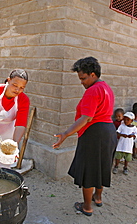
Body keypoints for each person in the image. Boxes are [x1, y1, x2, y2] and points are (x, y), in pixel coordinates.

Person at [53, 57, 117, 217]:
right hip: (108, 131)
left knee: (89, 170)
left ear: (93, 75)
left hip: (94, 133)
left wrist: (65, 134)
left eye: (83, 78)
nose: (81, 82)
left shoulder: (92, 90)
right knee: (102, 166)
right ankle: (98, 197)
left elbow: (86, 117)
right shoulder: (106, 87)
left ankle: (87, 206)